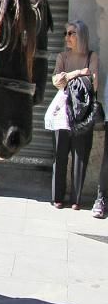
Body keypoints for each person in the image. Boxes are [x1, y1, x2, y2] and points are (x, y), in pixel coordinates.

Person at [50, 19, 98, 210]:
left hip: (83, 112)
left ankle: (76, 200)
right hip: (63, 111)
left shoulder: (92, 56)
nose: (67, 37)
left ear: (81, 36)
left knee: (80, 156)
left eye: (71, 33)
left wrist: (67, 77)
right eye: (65, 33)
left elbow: (94, 83)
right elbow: (56, 81)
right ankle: (57, 197)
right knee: (60, 155)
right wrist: (78, 72)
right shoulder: (62, 56)